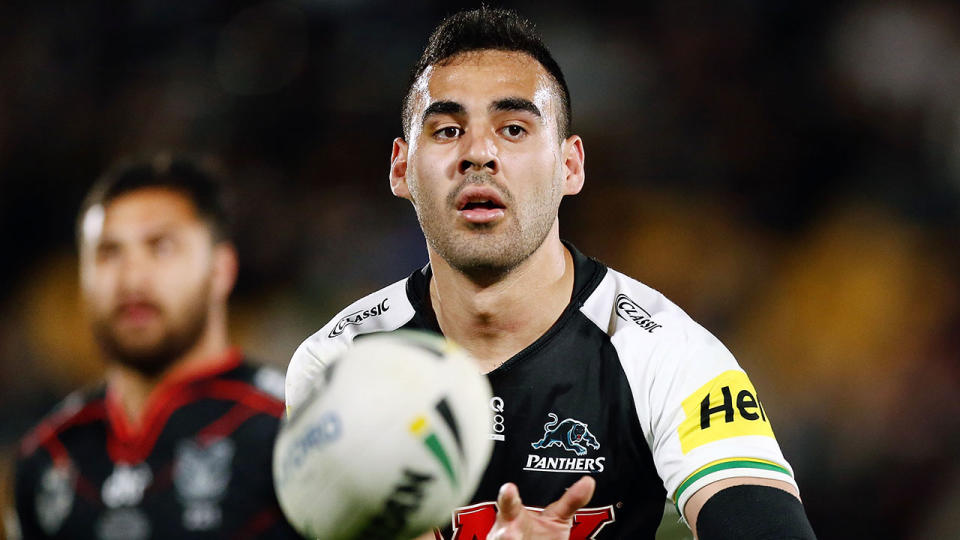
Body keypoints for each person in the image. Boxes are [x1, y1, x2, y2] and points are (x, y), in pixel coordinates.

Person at [286, 7, 816, 540]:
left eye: (513, 128)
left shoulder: (667, 355)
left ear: (571, 166)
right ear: (402, 168)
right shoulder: (339, 362)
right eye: (448, 130)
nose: (479, 153)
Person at [12, 156, 300, 539]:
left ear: (221, 269)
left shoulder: (293, 430)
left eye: (161, 247)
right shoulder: (47, 455)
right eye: (108, 252)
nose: (132, 278)